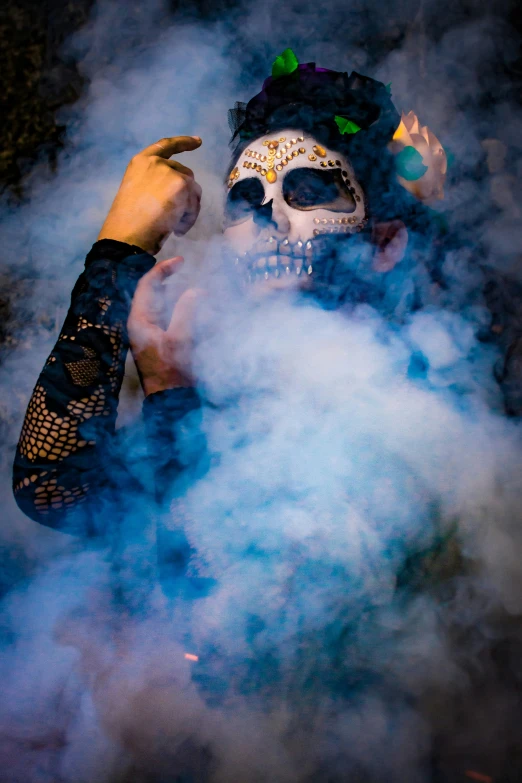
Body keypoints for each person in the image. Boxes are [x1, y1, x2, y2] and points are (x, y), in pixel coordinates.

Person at [13, 54, 514, 540]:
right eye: (247, 199)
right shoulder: (226, 388)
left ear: (385, 242)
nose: (269, 219)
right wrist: (119, 255)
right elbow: (55, 491)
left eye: (306, 191)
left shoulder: (441, 388)